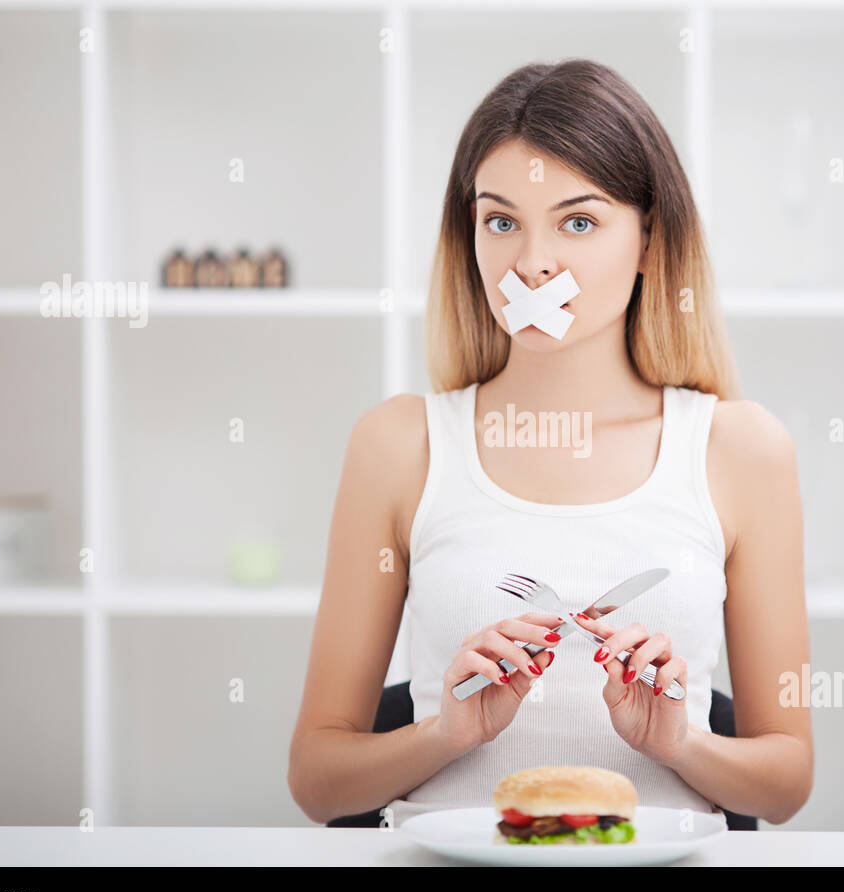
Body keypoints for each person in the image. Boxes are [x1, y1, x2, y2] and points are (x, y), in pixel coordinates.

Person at [288, 58, 813, 828]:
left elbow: (786, 781)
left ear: (648, 241)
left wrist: (680, 745)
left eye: (577, 221)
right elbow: (318, 779)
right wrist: (445, 734)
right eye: (501, 221)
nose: (531, 263)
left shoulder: (740, 450)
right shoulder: (400, 445)